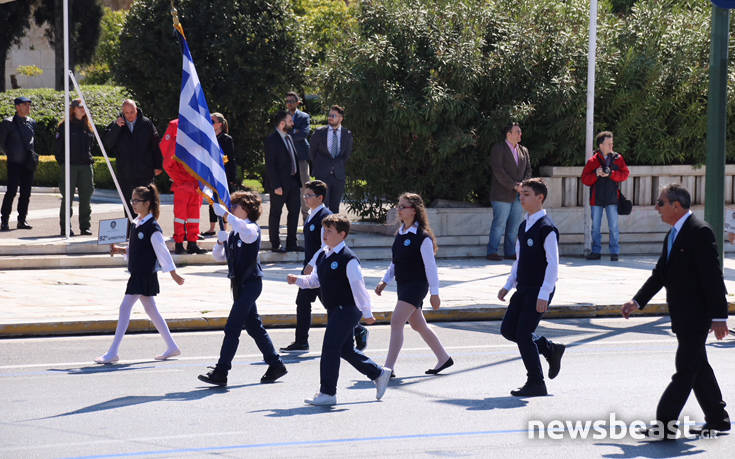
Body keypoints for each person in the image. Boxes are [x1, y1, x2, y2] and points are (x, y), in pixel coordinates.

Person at [622, 184, 730, 440]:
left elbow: (712, 276)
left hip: (697, 315)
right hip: (681, 315)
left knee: (684, 369)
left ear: (676, 206)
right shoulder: (673, 235)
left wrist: (719, 316)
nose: (656, 208)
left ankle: (664, 425)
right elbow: (660, 275)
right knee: (698, 367)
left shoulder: (699, 232)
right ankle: (718, 418)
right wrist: (637, 301)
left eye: (661, 203)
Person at [287, 214, 391, 406]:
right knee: (345, 349)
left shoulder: (348, 259)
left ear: (342, 235)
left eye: (329, 231)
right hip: (335, 310)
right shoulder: (323, 254)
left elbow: (358, 287)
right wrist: (298, 280)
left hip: (348, 309)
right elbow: (316, 281)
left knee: (330, 348)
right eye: (324, 230)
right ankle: (378, 373)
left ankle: (328, 393)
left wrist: (367, 313)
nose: (324, 234)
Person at [198, 191, 288, 386]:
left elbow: (244, 229)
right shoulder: (235, 232)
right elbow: (220, 257)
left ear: (246, 209)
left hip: (251, 284)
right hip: (239, 285)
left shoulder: (251, 230)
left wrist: (225, 215)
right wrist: (221, 242)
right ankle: (276, 364)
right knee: (255, 327)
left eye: (235, 206)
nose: (231, 209)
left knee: (232, 328)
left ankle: (221, 371)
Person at [94, 184, 184, 364]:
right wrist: (120, 250)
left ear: (148, 203)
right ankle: (172, 346)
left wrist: (173, 273)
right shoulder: (137, 223)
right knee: (152, 311)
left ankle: (113, 352)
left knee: (124, 308)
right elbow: (136, 250)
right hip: (138, 272)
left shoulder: (152, 227)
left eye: (137, 201)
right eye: (132, 200)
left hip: (143, 274)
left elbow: (162, 251)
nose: (134, 204)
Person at [280, 180, 369, 352]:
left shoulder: (325, 217)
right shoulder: (312, 214)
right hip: (316, 265)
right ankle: (303, 341)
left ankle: (355, 330)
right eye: (304, 195)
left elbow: (325, 245)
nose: (305, 198)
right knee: (308, 301)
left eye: (309, 195)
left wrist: (312, 264)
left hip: (321, 266)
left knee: (319, 302)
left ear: (320, 197)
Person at [497, 178, 566, 397]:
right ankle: (548, 348)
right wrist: (508, 285)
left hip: (539, 288)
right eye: (520, 194)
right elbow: (519, 259)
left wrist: (544, 293)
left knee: (524, 333)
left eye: (526, 194)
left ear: (540, 198)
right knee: (508, 330)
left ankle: (536, 382)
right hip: (523, 287)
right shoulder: (523, 225)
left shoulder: (547, 229)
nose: (521, 197)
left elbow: (553, 265)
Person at [375, 192, 453, 376]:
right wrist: (384, 281)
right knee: (418, 325)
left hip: (416, 286)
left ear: (414, 211)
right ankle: (443, 358)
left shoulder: (422, 237)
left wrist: (435, 293)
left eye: (403, 206)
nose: (398, 209)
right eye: (398, 205)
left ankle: (388, 368)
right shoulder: (400, 233)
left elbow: (431, 267)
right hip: (403, 285)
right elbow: (395, 262)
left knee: (396, 321)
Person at [103, 99, 162, 222]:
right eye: (126, 113)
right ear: (122, 112)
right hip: (126, 173)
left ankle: (147, 227)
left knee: (145, 202)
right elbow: (108, 144)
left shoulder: (146, 124)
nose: (129, 115)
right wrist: (116, 128)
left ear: (137, 110)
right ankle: (132, 230)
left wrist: (158, 165)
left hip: (144, 172)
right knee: (129, 203)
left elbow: (156, 146)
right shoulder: (116, 125)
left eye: (132, 112)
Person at [159, 119, 207, 254]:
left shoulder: (199, 126)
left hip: (195, 183)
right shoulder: (176, 129)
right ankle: (179, 244)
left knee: (194, 214)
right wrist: (179, 179)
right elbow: (167, 161)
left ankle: (192, 243)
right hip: (183, 184)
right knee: (180, 215)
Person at [581, 131, 630, 261]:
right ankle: (596, 251)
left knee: (614, 226)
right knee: (595, 227)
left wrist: (611, 174)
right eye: (608, 144)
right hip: (596, 199)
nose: (611, 146)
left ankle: (614, 252)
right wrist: (596, 174)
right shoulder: (593, 161)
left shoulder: (618, 158)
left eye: (612, 143)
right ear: (601, 145)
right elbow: (585, 179)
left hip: (612, 198)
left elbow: (625, 174)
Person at [487, 122, 532, 261]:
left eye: (520, 131)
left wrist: (523, 185)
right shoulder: (498, 149)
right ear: (509, 134)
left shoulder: (524, 150)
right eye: (517, 131)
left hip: (520, 194)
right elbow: (498, 171)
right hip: (502, 194)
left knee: (515, 225)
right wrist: (514, 185)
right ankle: (492, 251)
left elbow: (528, 170)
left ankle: (510, 251)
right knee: (499, 224)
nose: (520, 134)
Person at [54, 98, 94, 236]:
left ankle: (85, 226)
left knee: (86, 198)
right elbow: (58, 148)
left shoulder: (88, 125)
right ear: (73, 108)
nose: (83, 109)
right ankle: (65, 227)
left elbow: (91, 146)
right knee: (68, 198)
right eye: (80, 107)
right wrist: (64, 163)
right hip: (70, 166)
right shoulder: (64, 126)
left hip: (85, 166)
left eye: (84, 107)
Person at [264, 110, 302, 252]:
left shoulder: (289, 137)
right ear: (282, 123)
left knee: (294, 212)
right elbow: (270, 165)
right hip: (279, 184)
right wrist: (276, 185)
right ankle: (275, 244)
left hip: (293, 182)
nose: (293, 123)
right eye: (290, 121)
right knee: (276, 213)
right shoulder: (272, 140)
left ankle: (292, 243)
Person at [0, 96, 37, 231]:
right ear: (17, 107)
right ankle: (4, 220)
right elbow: (2, 143)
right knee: (11, 192)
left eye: (29, 105)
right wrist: (11, 154)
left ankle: (22, 220)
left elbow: (32, 142)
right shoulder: (8, 123)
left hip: (28, 164)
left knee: (26, 193)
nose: (28, 107)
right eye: (25, 105)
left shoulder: (32, 122)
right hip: (14, 163)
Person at [309, 105, 353, 214]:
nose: (330, 117)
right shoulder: (319, 132)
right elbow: (311, 153)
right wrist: (320, 166)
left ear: (341, 118)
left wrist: (337, 166)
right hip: (322, 175)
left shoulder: (347, 134)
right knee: (321, 207)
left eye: (333, 115)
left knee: (335, 209)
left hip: (338, 176)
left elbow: (346, 155)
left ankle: (333, 230)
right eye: (329, 115)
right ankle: (321, 231)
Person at [203, 112, 237, 236]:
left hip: (223, 175)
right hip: (211, 174)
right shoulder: (208, 138)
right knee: (212, 200)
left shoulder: (226, 139)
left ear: (220, 124)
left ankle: (225, 228)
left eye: (213, 121)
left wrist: (232, 177)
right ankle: (212, 228)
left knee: (223, 201)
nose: (210, 123)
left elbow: (231, 158)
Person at [285, 92, 311, 222]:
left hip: (301, 156)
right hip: (286, 157)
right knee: (288, 187)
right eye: (287, 101)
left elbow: (304, 133)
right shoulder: (282, 117)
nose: (289, 103)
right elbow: (280, 133)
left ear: (297, 102)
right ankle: (292, 218)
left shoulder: (304, 116)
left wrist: (290, 134)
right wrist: (294, 132)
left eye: (291, 101)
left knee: (305, 186)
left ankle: (306, 217)